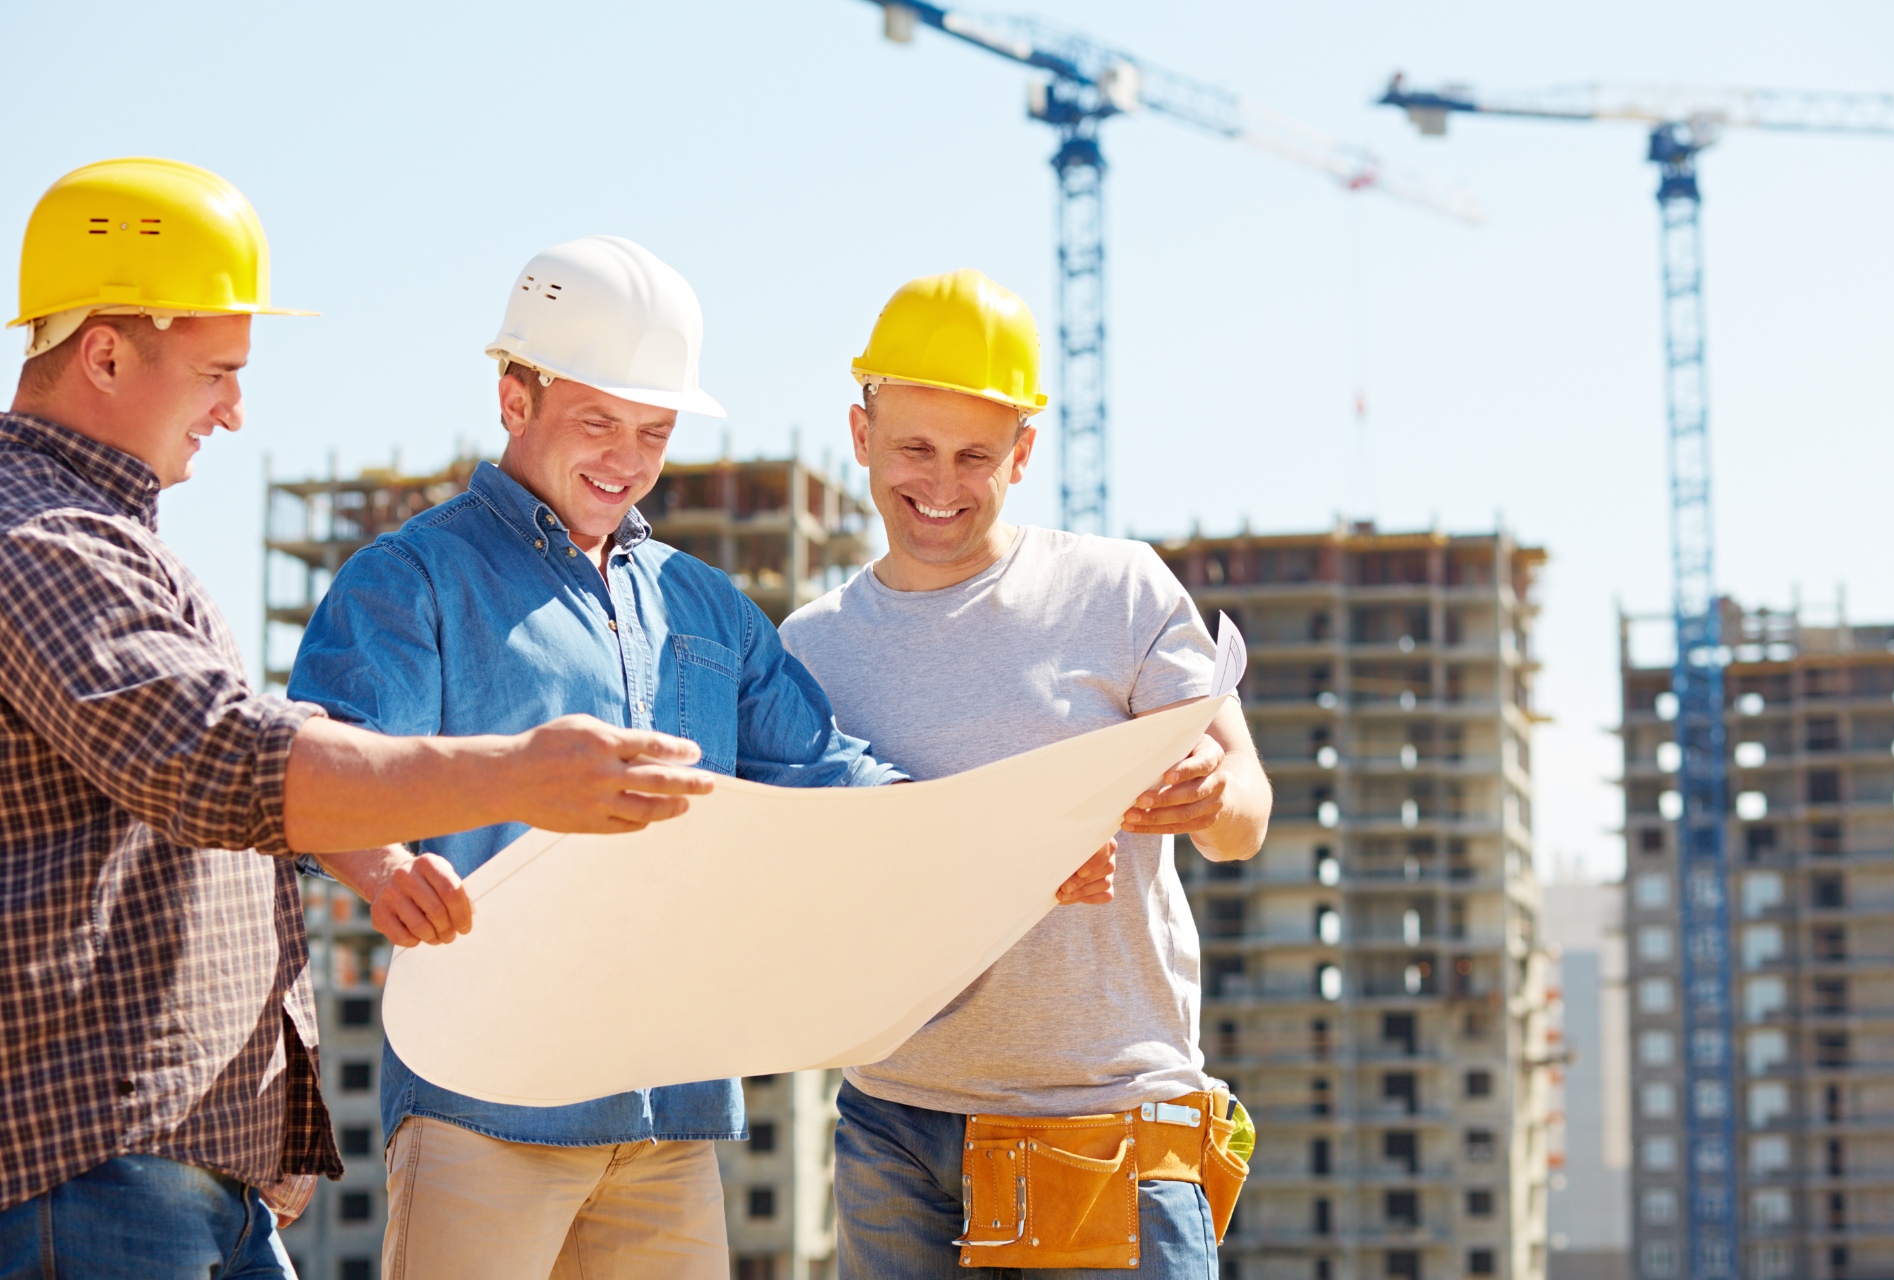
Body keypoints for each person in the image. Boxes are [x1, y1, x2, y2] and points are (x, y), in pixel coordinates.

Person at [287, 237, 1119, 1280]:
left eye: (653, 430)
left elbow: (829, 771)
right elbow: (320, 765)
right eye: (598, 421)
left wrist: (1004, 847)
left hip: (668, 1113)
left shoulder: (702, 606)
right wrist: (381, 864)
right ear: (514, 397)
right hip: (483, 1099)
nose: (626, 458)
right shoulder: (411, 582)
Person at [0, 162, 717, 1280]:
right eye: (217, 372)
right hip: (102, 1172)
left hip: (180, 1175)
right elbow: (220, 758)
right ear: (103, 350)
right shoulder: (41, 537)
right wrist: (518, 774)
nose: (237, 409)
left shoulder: (108, 539)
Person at [779, 269, 1275, 1279]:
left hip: (1105, 1122)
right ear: (861, 433)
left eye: (976, 454)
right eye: (915, 446)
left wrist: (1212, 798)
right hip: (894, 1128)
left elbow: (1248, 815)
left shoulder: (1119, 589)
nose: (942, 483)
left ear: (1025, 452)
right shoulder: (810, 650)